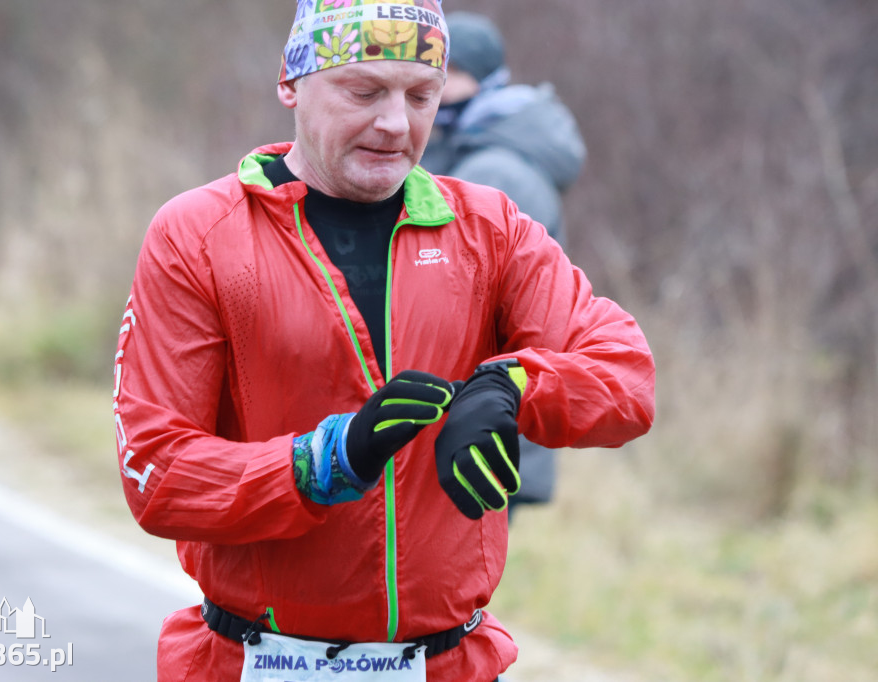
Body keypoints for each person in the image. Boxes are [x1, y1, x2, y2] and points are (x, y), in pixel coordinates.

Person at [112, 1, 654, 680]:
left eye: (421, 95)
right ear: (291, 81)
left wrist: (514, 386)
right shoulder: (198, 235)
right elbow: (158, 474)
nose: (395, 123)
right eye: (364, 91)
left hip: (446, 663)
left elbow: (627, 377)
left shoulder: (487, 229)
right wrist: (323, 461)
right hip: (258, 660)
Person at [421, 11, 588, 514]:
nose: (435, 88)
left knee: (451, 583)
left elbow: (465, 301)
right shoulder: (470, 150)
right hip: (481, 408)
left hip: (481, 413)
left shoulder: (493, 170)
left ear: (483, 79)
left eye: (448, 75)